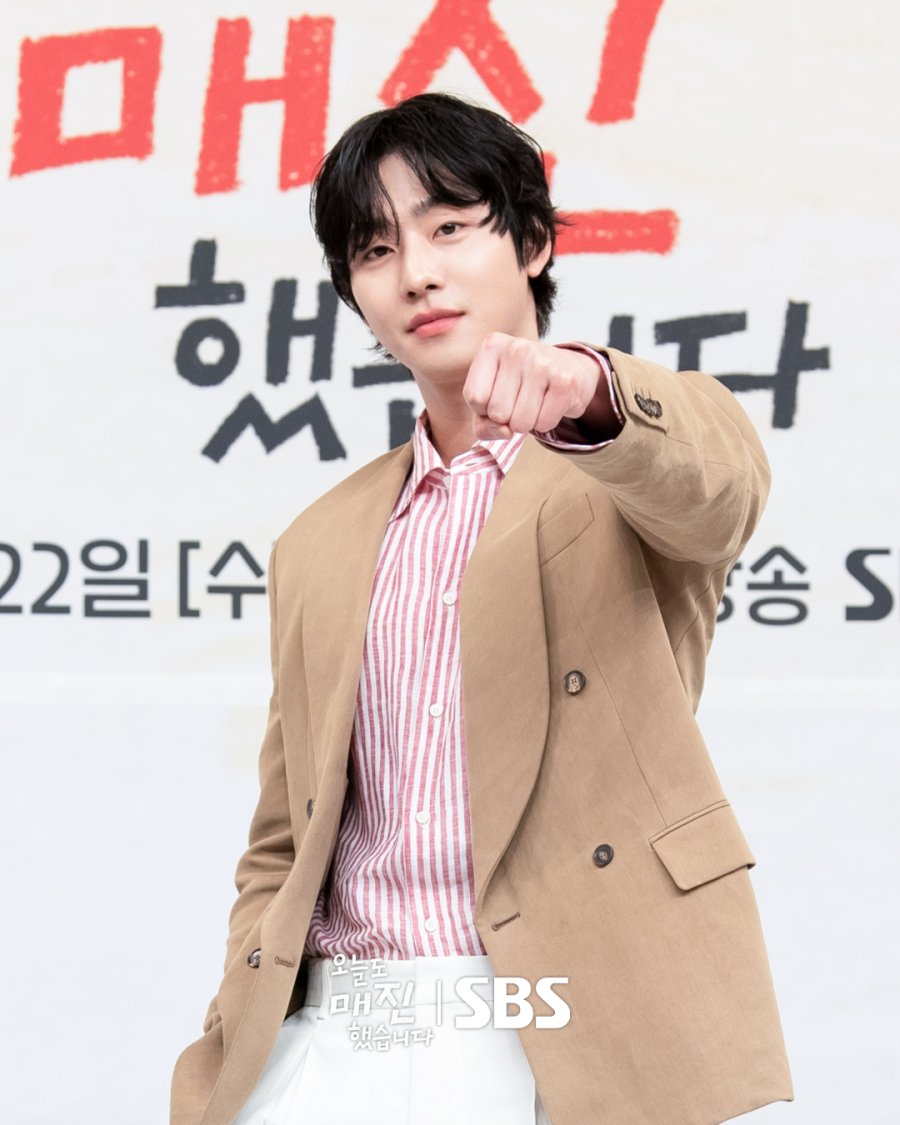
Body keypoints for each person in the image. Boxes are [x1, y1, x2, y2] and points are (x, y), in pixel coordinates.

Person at [170, 92, 794, 1125]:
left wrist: (589, 396)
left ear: (534, 242)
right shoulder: (317, 540)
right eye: (376, 250)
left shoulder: (623, 461)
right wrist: (235, 1036)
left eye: (451, 227)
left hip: (557, 1018)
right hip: (338, 1030)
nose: (415, 273)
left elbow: (718, 487)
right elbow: (287, 831)